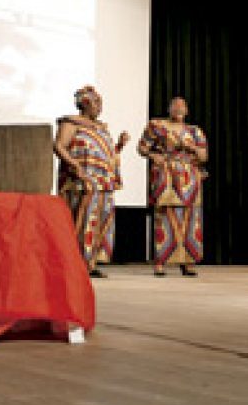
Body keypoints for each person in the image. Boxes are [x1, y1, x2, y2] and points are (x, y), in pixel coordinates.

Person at [54, 86, 128, 277]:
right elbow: (59, 146)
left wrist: (119, 145)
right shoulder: (71, 123)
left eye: (100, 103)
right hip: (82, 181)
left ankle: (91, 262)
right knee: (82, 219)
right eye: (96, 102)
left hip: (103, 181)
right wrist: (75, 165)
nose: (99, 107)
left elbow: (106, 154)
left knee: (101, 221)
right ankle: (74, 262)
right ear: (84, 104)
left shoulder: (101, 127)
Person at [138, 97, 207, 277]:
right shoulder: (157, 126)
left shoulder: (194, 131)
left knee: (190, 219)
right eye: (174, 105)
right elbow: (142, 147)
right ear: (168, 109)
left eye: (182, 105)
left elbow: (203, 156)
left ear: (187, 111)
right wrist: (153, 156)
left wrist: (190, 147)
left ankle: (187, 261)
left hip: (189, 177)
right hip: (166, 175)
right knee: (165, 217)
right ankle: (160, 262)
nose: (178, 108)